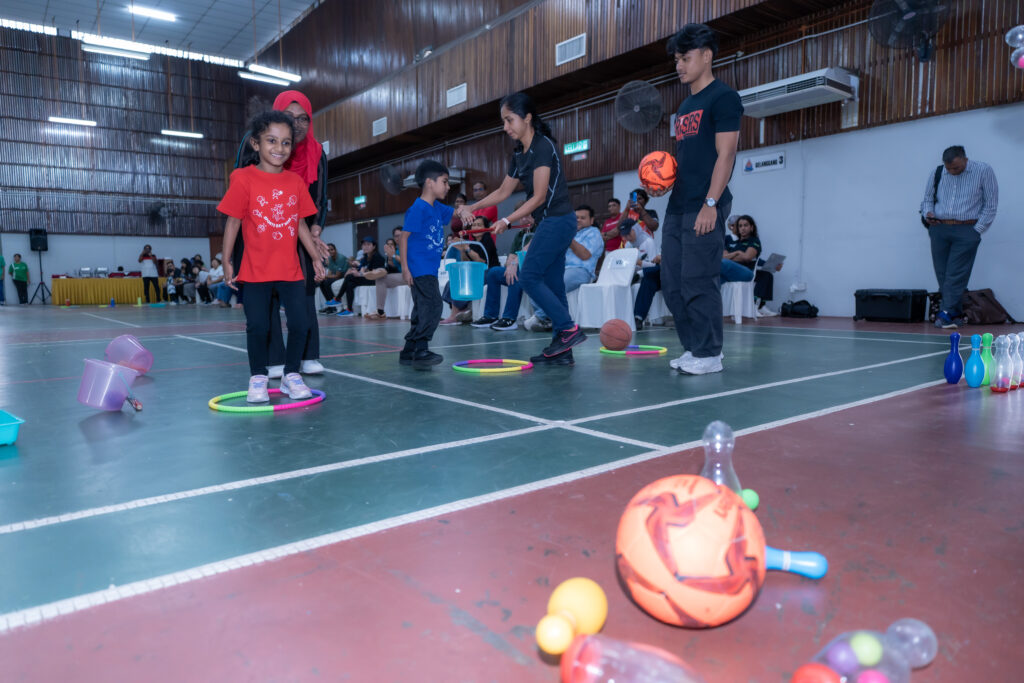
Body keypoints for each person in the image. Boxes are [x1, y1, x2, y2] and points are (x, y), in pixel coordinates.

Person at [463, 92, 585, 365]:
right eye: (504, 122)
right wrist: (473, 207)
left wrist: (507, 221)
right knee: (553, 286)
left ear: (527, 117)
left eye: (510, 120)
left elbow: (539, 196)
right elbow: (504, 191)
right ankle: (563, 352)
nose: (506, 127)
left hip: (558, 221)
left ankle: (568, 329)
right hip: (548, 222)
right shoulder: (519, 154)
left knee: (528, 277)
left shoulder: (543, 146)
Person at [218, 110, 325, 403]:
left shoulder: (295, 182)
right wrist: (227, 261)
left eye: (286, 142)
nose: (279, 148)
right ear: (256, 144)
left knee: (302, 324)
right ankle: (258, 377)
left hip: (290, 270)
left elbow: (301, 224)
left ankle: (292, 375)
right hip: (255, 271)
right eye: (272, 141)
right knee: (258, 326)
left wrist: (315, 257)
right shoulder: (243, 178)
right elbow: (233, 222)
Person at [654, 23, 742, 376]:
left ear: (706, 56)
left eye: (685, 58)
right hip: (677, 204)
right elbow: (688, 158)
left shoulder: (723, 98)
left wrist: (710, 203)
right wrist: (662, 184)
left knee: (698, 279)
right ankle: (694, 349)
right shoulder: (685, 104)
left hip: (705, 204)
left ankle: (709, 352)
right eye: (677, 59)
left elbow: (726, 154)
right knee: (672, 282)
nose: (679, 65)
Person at [261, 91, 330, 376]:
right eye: (290, 117)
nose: (298, 124)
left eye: (304, 118)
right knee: (269, 293)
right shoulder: (260, 143)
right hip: (264, 226)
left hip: (301, 228)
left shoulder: (317, 151)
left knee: (305, 289)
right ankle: (275, 359)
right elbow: (242, 185)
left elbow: (322, 193)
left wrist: (316, 227)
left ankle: (307, 355)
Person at [921, 144, 999, 329]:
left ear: (965, 159)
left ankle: (946, 312)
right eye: (948, 168)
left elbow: (991, 203)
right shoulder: (938, 172)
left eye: (955, 167)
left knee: (956, 273)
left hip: (967, 229)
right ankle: (955, 313)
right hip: (939, 228)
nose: (952, 171)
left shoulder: (983, 170)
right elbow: (927, 199)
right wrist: (928, 213)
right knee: (942, 274)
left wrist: (977, 230)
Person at [399, 160, 453, 369]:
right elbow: (404, 238)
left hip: (428, 268)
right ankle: (421, 349)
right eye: (445, 182)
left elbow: (456, 213)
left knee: (421, 309)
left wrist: (468, 210)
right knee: (433, 306)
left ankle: (409, 351)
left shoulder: (436, 207)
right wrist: (405, 268)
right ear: (430, 183)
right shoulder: (418, 208)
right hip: (419, 268)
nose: (448, 186)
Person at [522, 204, 604, 332]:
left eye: (583, 218)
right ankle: (545, 317)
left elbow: (585, 255)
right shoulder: (570, 232)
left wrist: (568, 238)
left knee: (555, 285)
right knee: (535, 280)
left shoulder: (593, 233)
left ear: (591, 220)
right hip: (562, 269)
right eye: (576, 217)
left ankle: (543, 317)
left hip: (580, 271)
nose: (578, 220)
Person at [441, 215, 500, 324]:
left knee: (462, 282)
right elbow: (465, 262)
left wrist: (466, 248)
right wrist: (462, 249)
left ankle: (455, 315)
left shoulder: (487, 240)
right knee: (452, 282)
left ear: (485, 227)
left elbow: (481, 262)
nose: (476, 227)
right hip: (476, 273)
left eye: (479, 225)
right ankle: (462, 310)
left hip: (489, 272)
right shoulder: (472, 243)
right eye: (474, 225)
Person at [332, 237, 386, 316]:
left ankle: (338, 298)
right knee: (350, 284)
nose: (365, 246)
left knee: (349, 277)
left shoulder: (377, 257)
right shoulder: (365, 257)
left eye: (368, 244)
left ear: (374, 246)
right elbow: (362, 269)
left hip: (375, 280)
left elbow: (375, 274)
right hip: (367, 277)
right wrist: (356, 270)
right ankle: (349, 309)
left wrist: (360, 274)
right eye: (364, 245)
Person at [366, 237, 407, 320]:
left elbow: (405, 262)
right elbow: (392, 267)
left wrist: (394, 255)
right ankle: (380, 312)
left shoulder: (403, 249)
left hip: (408, 275)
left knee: (382, 274)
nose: (389, 246)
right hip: (397, 275)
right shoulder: (389, 254)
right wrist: (390, 258)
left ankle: (379, 271)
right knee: (380, 278)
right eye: (388, 244)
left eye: (399, 235)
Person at [720, 214, 761, 282]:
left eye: (745, 225)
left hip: (746, 272)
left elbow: (747, 257)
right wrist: (737, 253)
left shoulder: (754, 240)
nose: (743, 228)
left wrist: (730, 256)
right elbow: (723, 257)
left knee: (721, 263)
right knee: (713, 279)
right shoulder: (735, 241)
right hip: (732, 271)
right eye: (740, 226)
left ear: (751, 227)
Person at [319, 243, 351, 308]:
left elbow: (338, 275)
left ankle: (334, 303)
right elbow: (330, 273)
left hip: (344, 276)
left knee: (327, 283)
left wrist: (326, 277)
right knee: (322, 283)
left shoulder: (340, 258)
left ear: (335, 250)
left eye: (332, 249)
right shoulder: (330, 259)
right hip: (338, 276)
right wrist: (325, 277)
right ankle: (330, 305)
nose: (330, 252)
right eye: (328, 250)